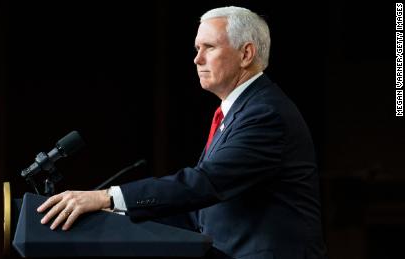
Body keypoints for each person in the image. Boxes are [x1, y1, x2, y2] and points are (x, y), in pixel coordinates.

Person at [37, 6, 327, 258]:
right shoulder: (241, 111)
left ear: (246, 54)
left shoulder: (266, 114)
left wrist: (106, 198)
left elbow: (204, 184)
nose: (197, 59)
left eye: (209, 48)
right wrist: (114, 215)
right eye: (196, 49)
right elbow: (199, 214)